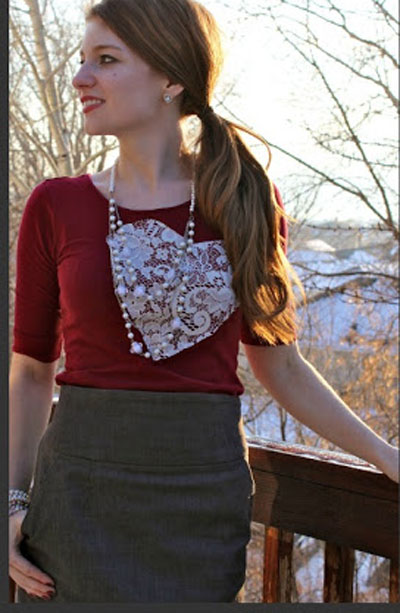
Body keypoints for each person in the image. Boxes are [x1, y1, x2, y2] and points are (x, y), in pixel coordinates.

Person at [9, 0, 398, 604]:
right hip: (74, 501)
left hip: (200, 505)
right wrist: (11, 506)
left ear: (172, 78)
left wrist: (383, 453)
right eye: (81, 60)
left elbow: (281, 364)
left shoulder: (244, 199)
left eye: (105, 60)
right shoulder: (55, 206)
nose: (81, 78)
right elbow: (33, 373)